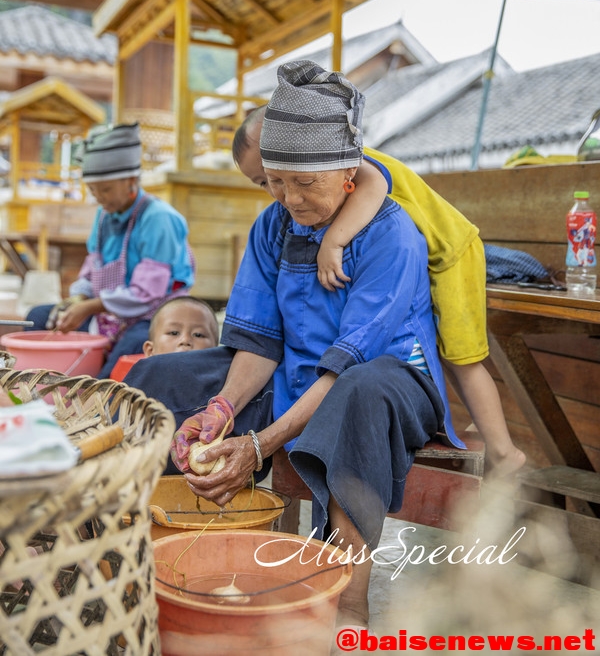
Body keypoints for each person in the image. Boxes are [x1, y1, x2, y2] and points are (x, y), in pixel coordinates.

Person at [127, 60, 461, 630]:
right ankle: (157, 553)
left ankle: (348, 599)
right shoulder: (273, 225)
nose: (289, 199)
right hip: (299, 375)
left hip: (387, 380)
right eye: (275, 182)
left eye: (305, 183)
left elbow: (347, 364)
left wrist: (259, 446)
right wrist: (223, 409)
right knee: (159, 378)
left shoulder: (391, 236)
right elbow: (259, 342)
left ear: (349, 175)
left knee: (359, 393)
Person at [233, 102, 525, 479]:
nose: (283, 195)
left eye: (294, 179)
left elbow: (374, 187)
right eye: (269, 181)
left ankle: (504, 451)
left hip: (452, 251)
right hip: (423, 250)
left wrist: (333, 242)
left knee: (461, 359)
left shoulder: (343, 156)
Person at [26, 123, 196, 379]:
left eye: (105, 189)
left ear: (130, 180)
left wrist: (92, 306)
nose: (99, 198)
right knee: (39, 317)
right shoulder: (104, 215)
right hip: (107, 312)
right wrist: (77, 301)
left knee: (132, 348)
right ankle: (40, 390)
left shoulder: (159, 218)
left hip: (150, 313)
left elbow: (147, 293)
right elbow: (91, 268)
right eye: (94, 191)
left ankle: (99, 403)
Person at [142, 295, 219, 357]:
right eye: (174, 333)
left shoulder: (225, 376)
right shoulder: (138, 376)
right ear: (150, 351)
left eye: (198, 335)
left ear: (216, 352)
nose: (185, 340)